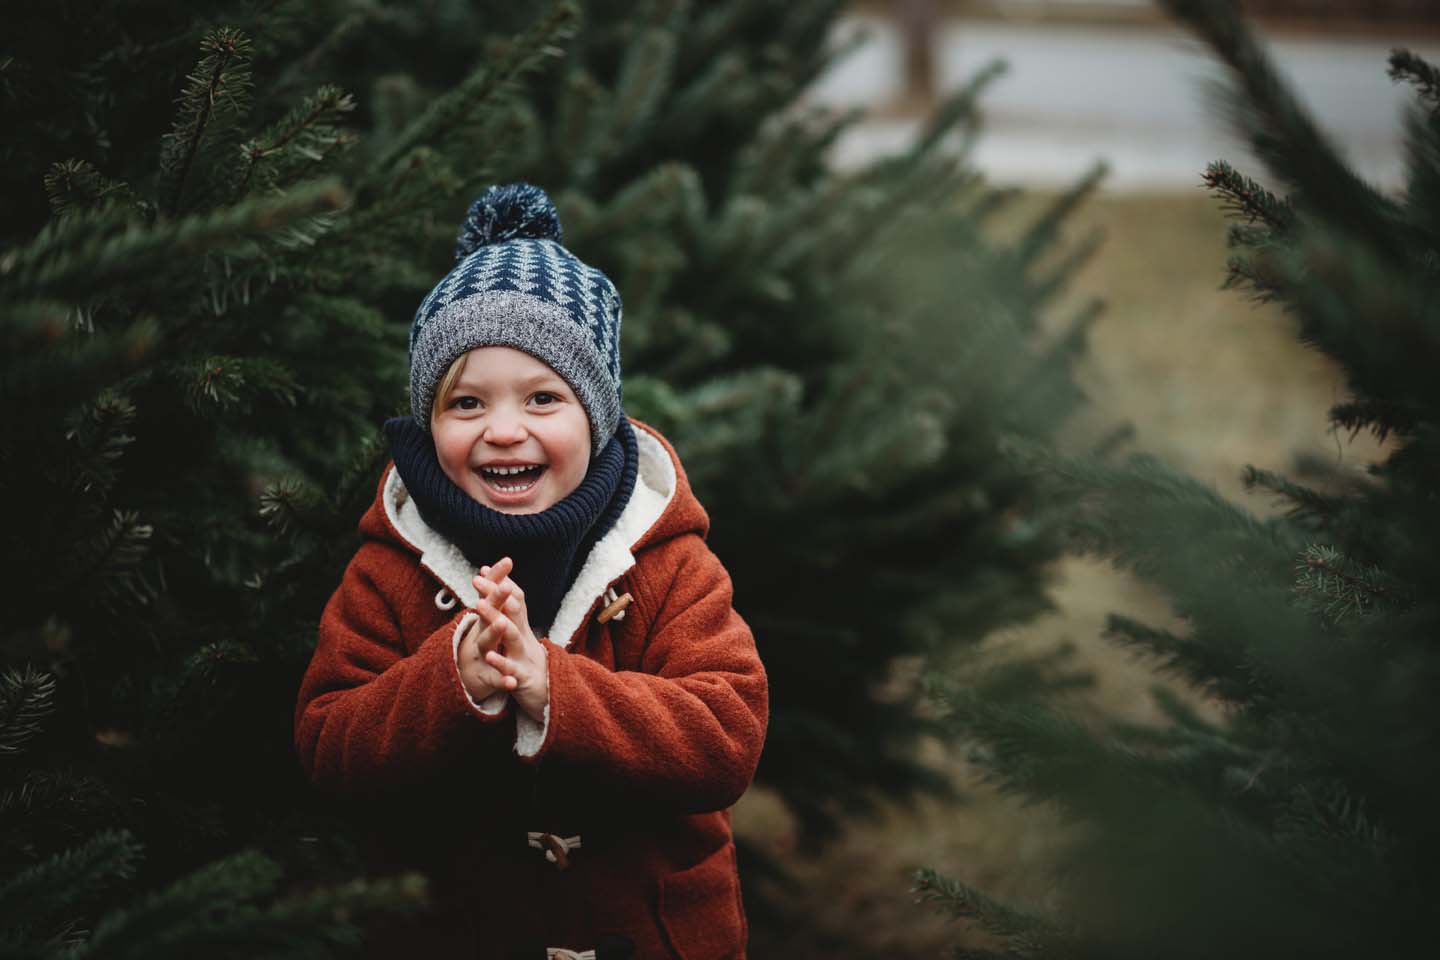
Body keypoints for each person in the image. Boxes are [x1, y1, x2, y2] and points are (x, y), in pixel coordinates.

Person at [293, 183, 769, 959]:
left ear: (597, 414)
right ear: (430, 421)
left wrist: (554, 688)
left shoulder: (668, 559)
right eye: (467, 403)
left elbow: (726, 736)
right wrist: (453, 681)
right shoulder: (391, 568)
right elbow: (328, 745)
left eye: (544, 398)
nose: (504, 431)